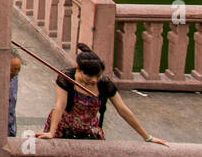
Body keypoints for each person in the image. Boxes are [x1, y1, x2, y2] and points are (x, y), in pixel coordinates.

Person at [37, 43, 167, 144]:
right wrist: (51, 133)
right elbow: (60, 106)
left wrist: (147, 137)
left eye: (97, 76)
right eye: (89, 76)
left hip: (89, 129)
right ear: (78, 69)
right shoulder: (67, 78)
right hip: (64, 127)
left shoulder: (104, 83)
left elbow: (123, 110)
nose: (94, 80)